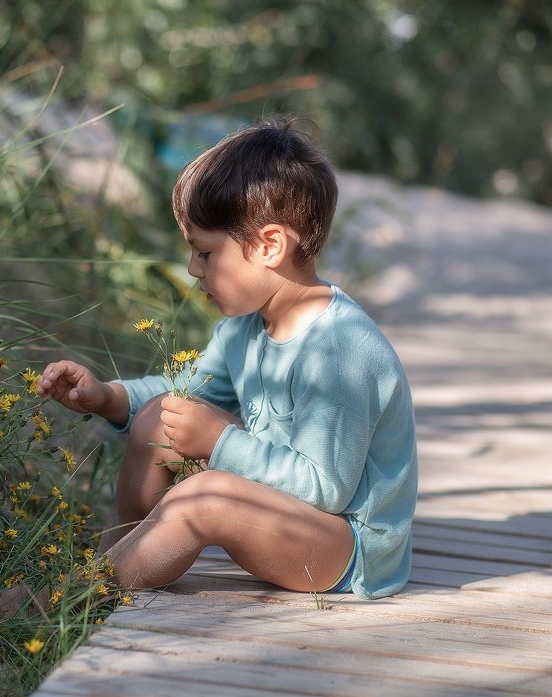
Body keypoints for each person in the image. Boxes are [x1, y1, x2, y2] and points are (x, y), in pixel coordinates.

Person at [37, 116, 418, 600]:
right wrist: (107, 397)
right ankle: (113, 566)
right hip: (287, 517)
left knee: (205, 496)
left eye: (206, 253)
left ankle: (63, 598)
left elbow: (326, 489)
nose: (193, 269)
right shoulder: (244, 326)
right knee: (158, 419)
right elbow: (188, 394)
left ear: (269, 246)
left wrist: (219, 441)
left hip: (348, 549)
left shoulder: (340, 351)